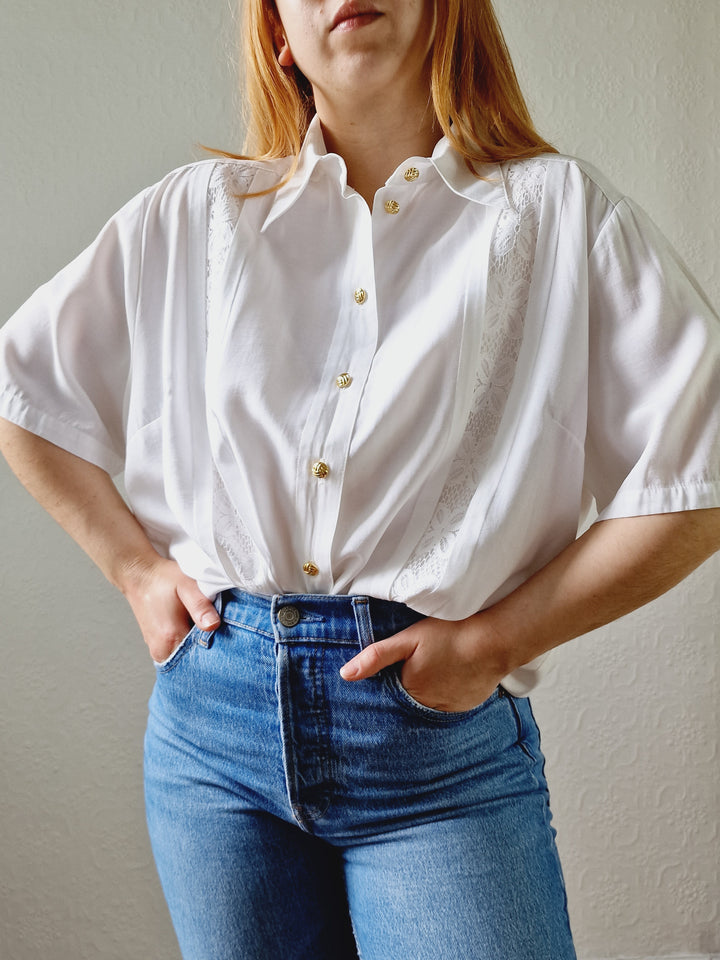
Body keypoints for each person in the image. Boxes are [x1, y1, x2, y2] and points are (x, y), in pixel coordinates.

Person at [1, 0, 719, 957]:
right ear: (279, 37)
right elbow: (25, 391)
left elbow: (699, 474)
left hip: (435, 754)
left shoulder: (556, 216)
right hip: (210, 743)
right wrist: (135, 569)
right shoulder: (196, 216)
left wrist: (494, 642)